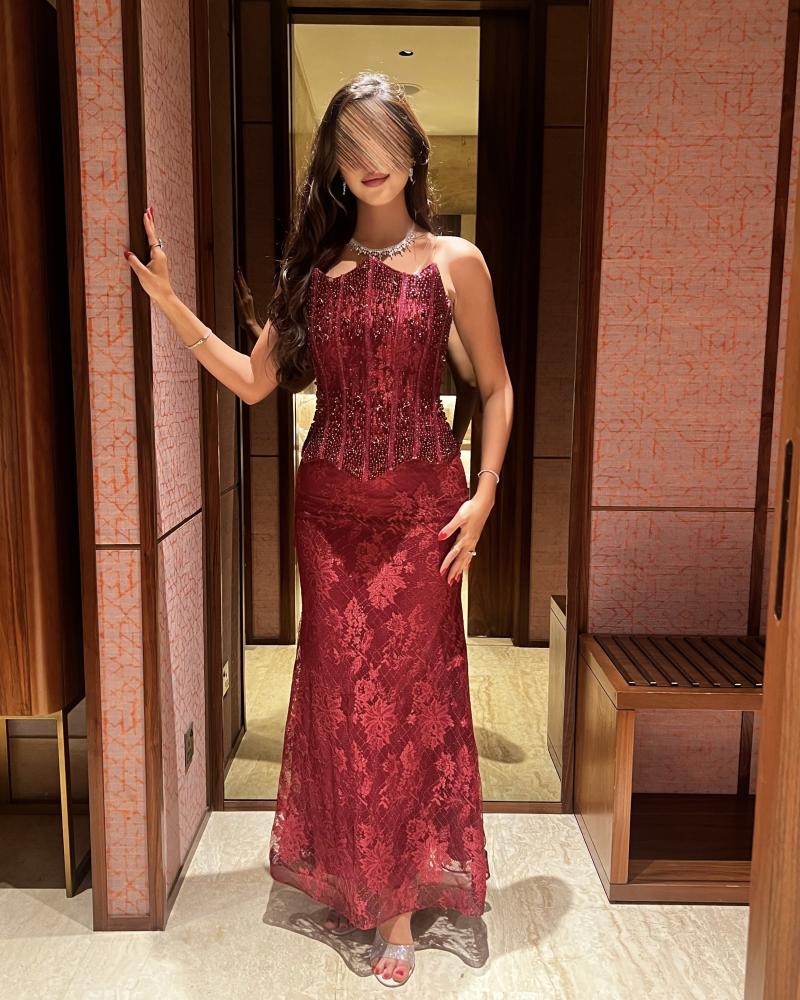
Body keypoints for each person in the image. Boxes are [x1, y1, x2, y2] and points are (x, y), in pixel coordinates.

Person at [124, 70, 513, 989]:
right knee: (344, 700)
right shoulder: (312, 272)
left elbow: (497, 387)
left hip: (424, 516)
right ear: (334, 166)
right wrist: (171, 303)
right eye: (350, 148)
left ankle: (398, 905)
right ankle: (357, 877)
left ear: (412, 150)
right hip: (329, 519)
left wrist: (485, 495)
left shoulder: (456, 261)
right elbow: (254, 383)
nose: (369, 163)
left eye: (383, 143)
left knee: (407, 701)